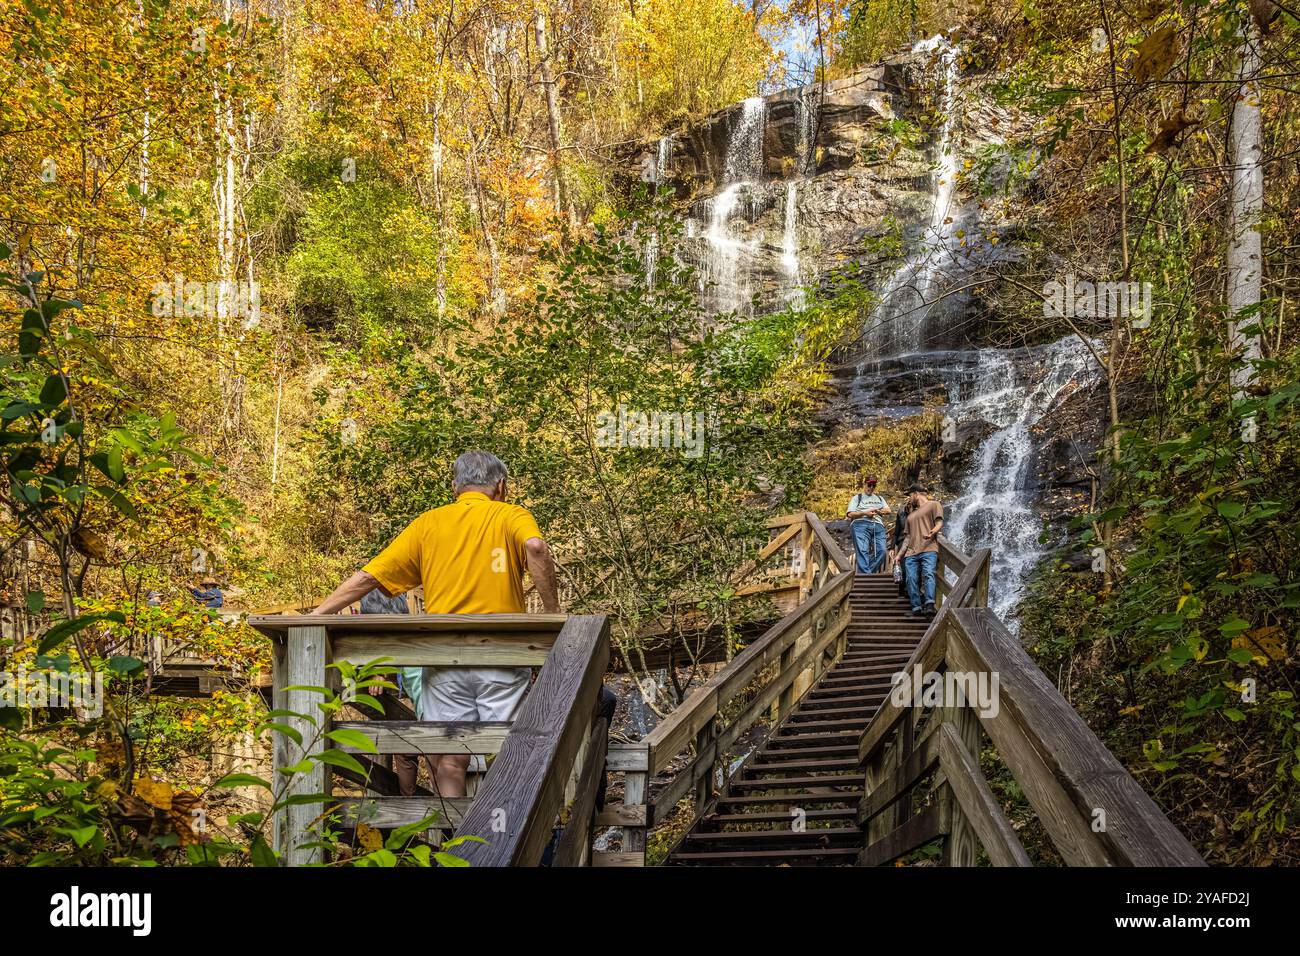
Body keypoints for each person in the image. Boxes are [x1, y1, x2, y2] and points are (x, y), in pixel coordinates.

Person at [314, 450, 560, 799]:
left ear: (455, 486)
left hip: (444, 658)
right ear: (501, 486)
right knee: (513, 750)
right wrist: (552, 616)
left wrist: (318, 615)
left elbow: (369, 576)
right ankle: (510, 837)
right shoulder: (511, 516)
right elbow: (535, 547)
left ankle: (458, 845)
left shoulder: (428, 523)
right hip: (501, 655)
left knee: (449, 757)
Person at [357, 587, 422, 797]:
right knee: (402, 747)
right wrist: (379, 669)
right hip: (418, 713)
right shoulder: (407, 633)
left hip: (426, 716)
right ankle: (407, 807)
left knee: (413, 749)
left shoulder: (406, 639)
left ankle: (409, 808)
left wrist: (381, 669)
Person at [903, 484, 944, 617]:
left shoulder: (934, 504)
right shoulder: (910, 515)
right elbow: (907, 537)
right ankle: (916, 607)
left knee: (928, 574)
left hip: (929, 547)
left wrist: (932, 532)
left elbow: (939, 523)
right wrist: (898, 555)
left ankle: (930, 604)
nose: (909, 498)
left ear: (916, 494)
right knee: (910, 578)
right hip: (911, 552)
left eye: (910, 495)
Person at [846, 475, 891, 574]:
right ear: (864, 484)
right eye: (869, 485)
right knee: (863, 551)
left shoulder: (879, 498)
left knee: (882, 551)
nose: (871, 487)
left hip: (878, 525)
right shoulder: (857, 498)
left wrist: (879, 511)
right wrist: (864, 513)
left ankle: (865, 573)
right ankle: (866, 577)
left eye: (873, 485)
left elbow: (888, 510)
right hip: (860, 524)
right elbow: (850, 514)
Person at [889, 497, 912, 598]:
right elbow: (896, 532)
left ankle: (909, 589)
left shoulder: (920, 511)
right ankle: (902, 589)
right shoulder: (901, 512)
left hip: (916, 540)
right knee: (903, 565)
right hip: (903, 540)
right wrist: (892, 547)